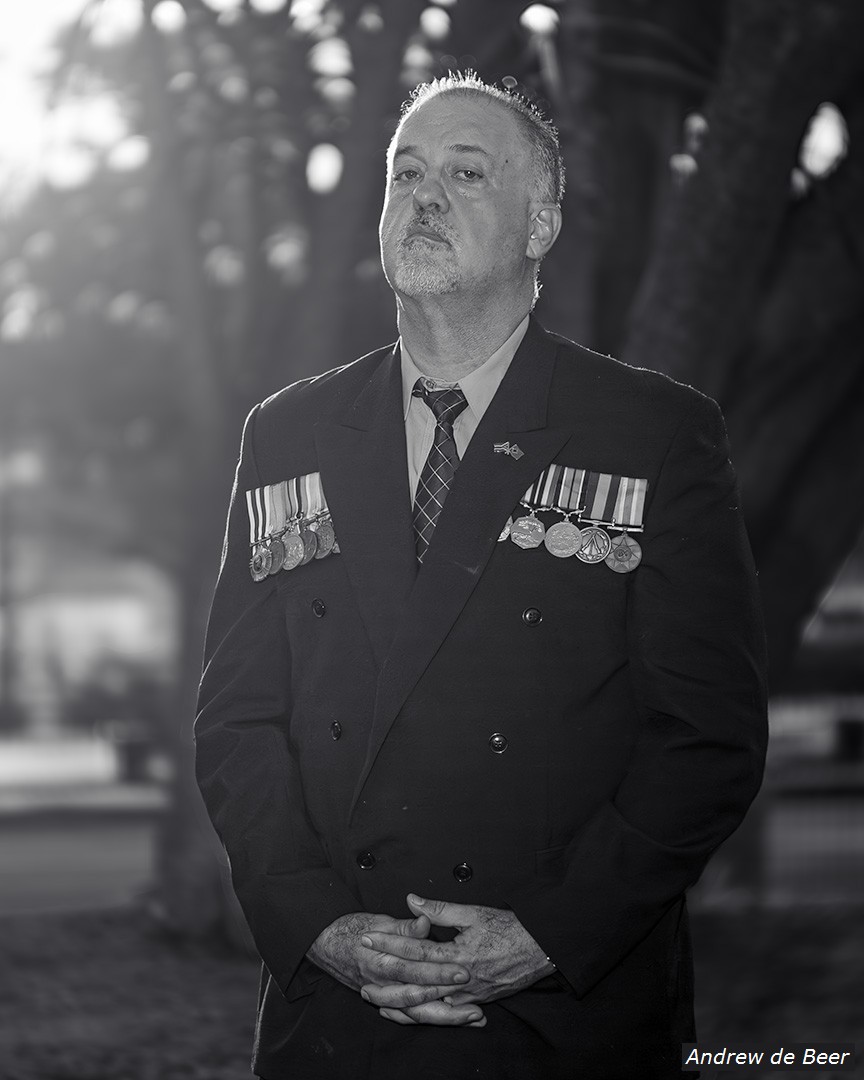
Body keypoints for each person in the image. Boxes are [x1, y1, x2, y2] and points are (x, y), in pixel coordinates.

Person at [195, 73, 767, 1080]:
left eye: (466, 174)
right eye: (405, 173)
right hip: (337, 1013)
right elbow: (238, 720)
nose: (424, 195)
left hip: (562, 1013)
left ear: (540, 224)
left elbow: (706, 736)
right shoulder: (288, 432)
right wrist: (316, 924)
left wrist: (547, 936)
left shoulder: (650, 433)